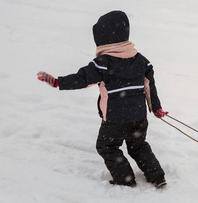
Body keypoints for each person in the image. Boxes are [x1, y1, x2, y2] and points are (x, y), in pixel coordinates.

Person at [37, 10, 168, 188]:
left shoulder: (104, 63)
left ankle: (125, 179)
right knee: (138, 145)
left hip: (115, 119)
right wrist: (156, 108)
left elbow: (82, 79)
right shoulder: (141, 60)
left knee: (107, 147)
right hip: (138, 117)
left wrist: (57, 82)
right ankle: (157, 176)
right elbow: (149, 86)